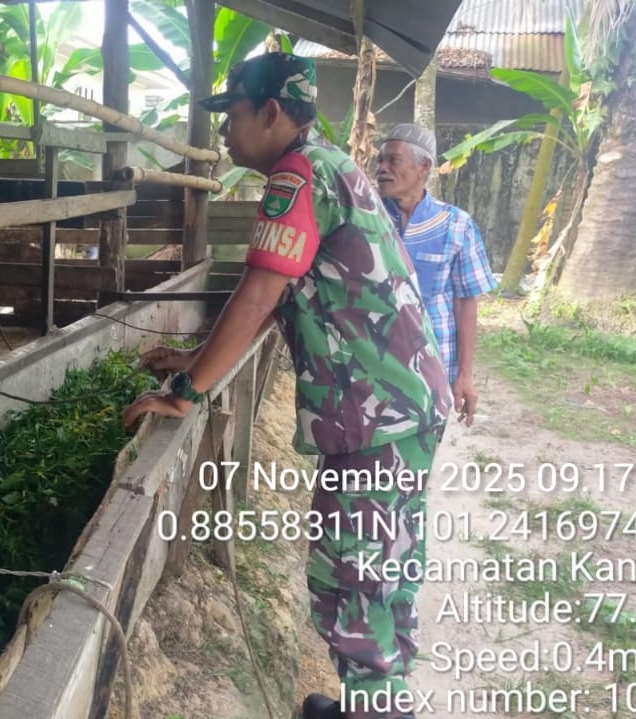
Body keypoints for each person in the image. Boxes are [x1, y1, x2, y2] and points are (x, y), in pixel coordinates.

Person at [121, 53, 451, 719]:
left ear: (271, 112)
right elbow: (285, 296)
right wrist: (196, 357)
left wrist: (186, 389)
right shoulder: (330, 165)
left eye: (233, 113)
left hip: (375, 416)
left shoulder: (297, 175)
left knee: (352, 576)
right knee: (384, 569)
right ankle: (374, 705)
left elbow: (260, 291)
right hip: (401, 406)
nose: (223, 129)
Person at [376, 124, 498, 427]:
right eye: (380, 161)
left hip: (431, 367)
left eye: (393, 160)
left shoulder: (456, 225)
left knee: (420, 450)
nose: (382, 168)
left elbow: (465, 302)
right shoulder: (365, 216)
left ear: (424, 167)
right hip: (371, 365)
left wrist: (465, 376)